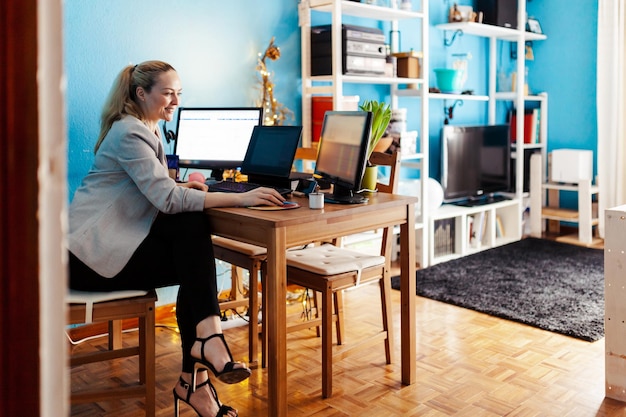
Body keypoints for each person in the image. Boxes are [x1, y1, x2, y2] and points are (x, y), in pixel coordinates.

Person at [67, 60, 286, 417]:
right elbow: (167, 199)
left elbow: (159, 191)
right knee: (191, 243)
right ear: (142, 93)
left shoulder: (144, 128)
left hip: (107, 249)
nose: (175, 101)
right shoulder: (129, 131)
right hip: (85, 260)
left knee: (190, 242)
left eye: (178, 93)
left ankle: (202, 362)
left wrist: (188, 188)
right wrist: (242, 196)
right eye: (168, 93)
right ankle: (199, 369)